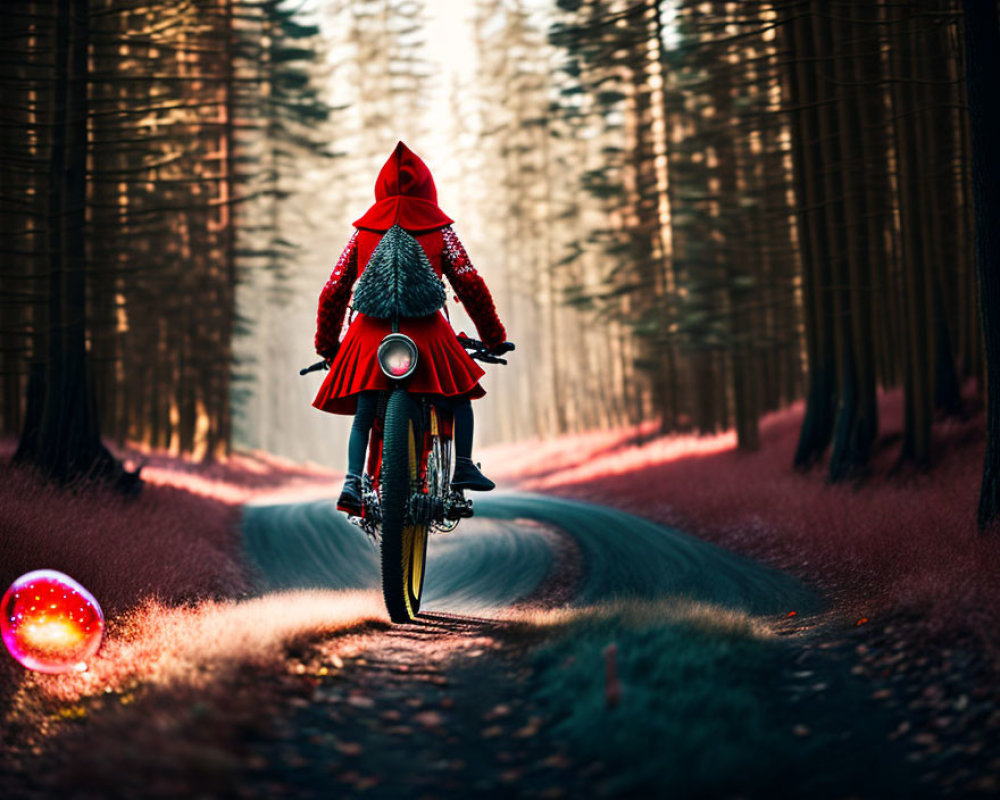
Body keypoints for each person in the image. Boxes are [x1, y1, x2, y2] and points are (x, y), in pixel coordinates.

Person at [312, 141, 507, 514]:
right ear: (428, 186)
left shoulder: (362, 233)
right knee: (459, 393)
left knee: (365, 413)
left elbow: (334, 289)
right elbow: (470, 284)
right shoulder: (441, 230)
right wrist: (493, 337)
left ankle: (354, 481)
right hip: (428, 332)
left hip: (369, 336)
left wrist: (327, 346)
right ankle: (463, 468)